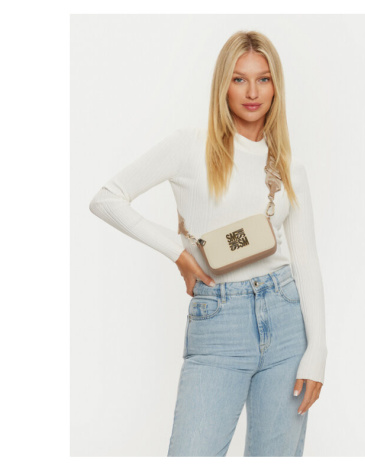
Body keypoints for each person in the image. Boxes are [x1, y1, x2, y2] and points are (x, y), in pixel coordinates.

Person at [89, 30, 327, 457]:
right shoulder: (189, 147)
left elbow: (306, 261)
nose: (252, 92)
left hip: (286, 320)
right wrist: (178, 252)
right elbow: (107, 199)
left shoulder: (289, 167)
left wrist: (318, 351)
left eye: (263, 79)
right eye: (239, 79)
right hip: (219, 319)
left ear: (276, 87)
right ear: (223, 85)